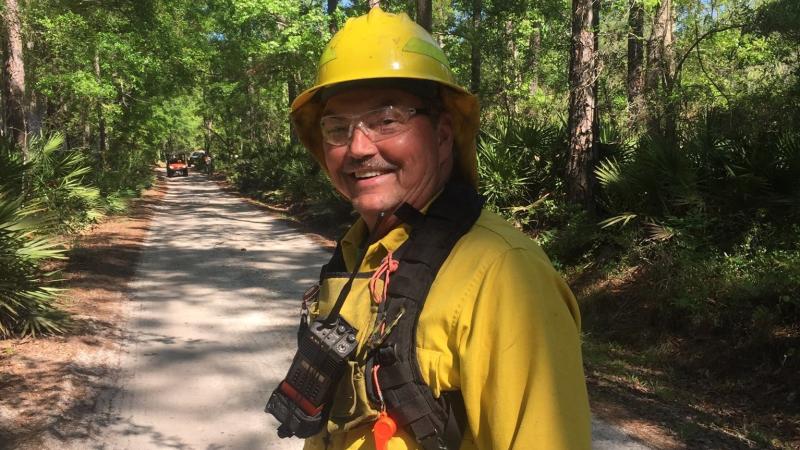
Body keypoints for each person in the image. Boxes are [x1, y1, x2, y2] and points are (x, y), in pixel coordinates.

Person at [273, 7, 591, 450]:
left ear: (443, 133)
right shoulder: (357, 253)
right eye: (337, 128)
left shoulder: (503, 274)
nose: (358, 148)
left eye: (387, 120)